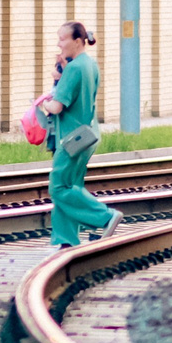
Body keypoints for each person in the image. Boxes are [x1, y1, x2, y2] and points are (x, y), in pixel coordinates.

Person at [38, 21, 119, 246]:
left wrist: (43, 101)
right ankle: (66, 239)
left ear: (77, 41)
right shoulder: (90, 64)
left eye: (62, 39)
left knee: (58, 186)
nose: (58, 44)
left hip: (71, 137)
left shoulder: (73, 68)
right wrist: (57, 78)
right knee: (71, 186)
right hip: (88, 134)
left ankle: (105, 217)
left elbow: (57, 106)